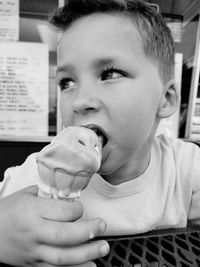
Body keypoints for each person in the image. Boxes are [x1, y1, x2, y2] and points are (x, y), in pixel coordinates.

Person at [1, 0, 200, 265]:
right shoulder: (40, 172)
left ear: (165, 99)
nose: (80, 101)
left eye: (109, 73)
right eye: (67, 82)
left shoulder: (184, 168)